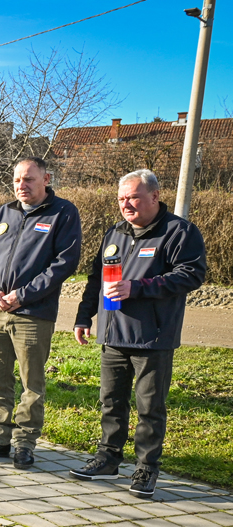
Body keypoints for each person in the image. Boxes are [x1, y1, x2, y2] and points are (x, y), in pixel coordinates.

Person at [69, 169, 206, 498]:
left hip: (152, 337)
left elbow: (191, 274)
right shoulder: (114, 233)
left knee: (150, 407)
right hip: (113, 334)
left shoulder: (179, 232)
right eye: (121, 199)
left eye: (133, 197)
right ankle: (108, 458)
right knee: (111, 401)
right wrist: (84, 316)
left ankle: (146, 466)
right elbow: (96, 278)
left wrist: (138, 288)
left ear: (155, 197)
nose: (126, 204)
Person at [0, 157, 82, 470]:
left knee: (31, 383)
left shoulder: (63, 213)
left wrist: (23, 294)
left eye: (29, 179)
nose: (22, 185)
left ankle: (24, 443)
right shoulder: (2, 213)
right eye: (18, 179)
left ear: (46, 179)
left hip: (33, 312)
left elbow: (64, 263)